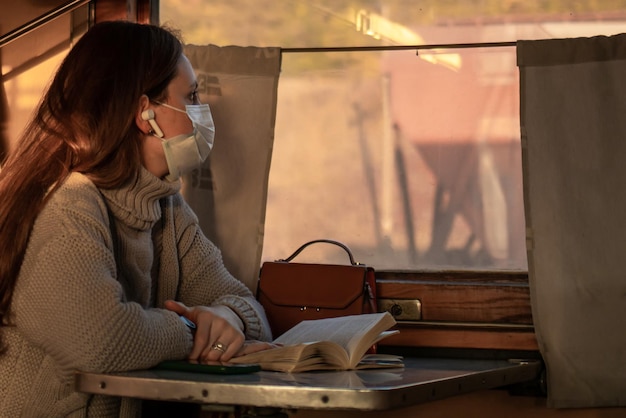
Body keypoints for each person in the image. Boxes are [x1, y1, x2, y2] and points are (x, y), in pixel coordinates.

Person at [0, 20, 274, 417]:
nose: (202, 112)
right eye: (191, 96)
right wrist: (196, 329)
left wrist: (226, 316)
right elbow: (100, 339)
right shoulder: (67, 204)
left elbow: (249, 308)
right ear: (145, 114)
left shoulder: (167, 208)